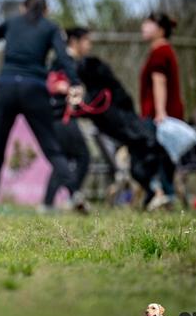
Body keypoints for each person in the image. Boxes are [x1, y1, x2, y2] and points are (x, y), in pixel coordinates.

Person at [0, 0, 83, 215]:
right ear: (46, 10)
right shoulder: (51, 27)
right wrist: (75, 82)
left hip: (6, 87)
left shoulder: (12, 22)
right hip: (34, 90)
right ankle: (75, 193)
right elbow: (64, 57)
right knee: (51, 147)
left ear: (22, 8)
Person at [58, 27, 162, 208]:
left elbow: (88, 109)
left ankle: (160, 194)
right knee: (138, 171)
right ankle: (156, 194)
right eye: (87, 41)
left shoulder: (102, 97)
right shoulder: (105, 93)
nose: (89, 45)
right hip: (135, 138)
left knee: (140, 170)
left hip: (139, 140)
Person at [139, 12, 184, 209]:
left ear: (160, 29)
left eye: (149, 24)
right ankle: (163, 196)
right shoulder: (162, 50)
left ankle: (165, 194)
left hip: (160, 114)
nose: (144, 27)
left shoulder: (160, 52)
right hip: (164, 112)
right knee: (163, 155)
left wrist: (160, 112)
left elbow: (159, 82)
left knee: (159, 155)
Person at [48, 28, 92, 213]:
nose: (89, 45)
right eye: (87, 40)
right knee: (83, 156)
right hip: (62, 117)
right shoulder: (63, 60)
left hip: (60, 118)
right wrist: (64, 87)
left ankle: (47, 203)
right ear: (74, 41)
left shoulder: (69, 61)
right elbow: (51, 82)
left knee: (62, 162)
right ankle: (75, 196)